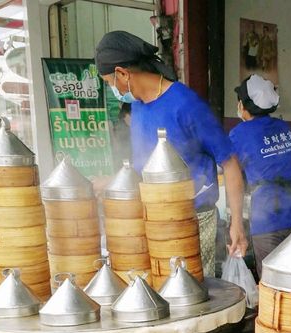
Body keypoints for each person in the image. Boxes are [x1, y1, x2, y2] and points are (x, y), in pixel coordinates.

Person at [94, 30, 247, 278]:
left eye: (110, 83)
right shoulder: (137, 106)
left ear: (123, 73)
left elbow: (230, 163)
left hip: (193, 218)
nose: (114, 89)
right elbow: (145, 164)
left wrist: (237, 224)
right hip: (154, 217)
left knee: (190, 295)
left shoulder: (186, 104)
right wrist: (113, 181)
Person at [230, 75, 291, 277]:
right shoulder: (283, 127)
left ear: (243, 105)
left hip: (267, 216)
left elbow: (230, 172)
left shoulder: (239, 133)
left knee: (273, 281)